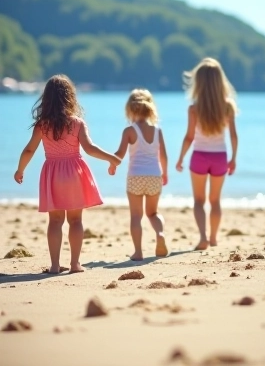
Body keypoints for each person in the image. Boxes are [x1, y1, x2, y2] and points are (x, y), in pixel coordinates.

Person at [12, 75, 121, 274]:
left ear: (46, 99)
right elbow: (89, 148)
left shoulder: (42, 125)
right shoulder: (77, 123)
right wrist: (111, 158)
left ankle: (54, 265)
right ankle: (74, 264)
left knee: (55, 222)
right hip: (74, 174)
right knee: (76, 221)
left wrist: (20, 169)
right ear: (70, 97)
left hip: (52, 175)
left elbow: (29, 150)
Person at [175, 58, 239, 251]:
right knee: (215, 201)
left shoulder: (194, 108)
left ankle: (202, 237)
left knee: (199, 201)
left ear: (199, 82)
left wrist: (180, 158)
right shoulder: (228, 106)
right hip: (220, 157)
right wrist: (233, 158)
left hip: (199, 157)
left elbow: (189, 137)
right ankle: (213, 238)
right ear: (220, 80)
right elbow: (234, 136)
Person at [112, 89, 169, 260]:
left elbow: (120, 154)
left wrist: (112, 163)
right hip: (154, 176)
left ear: (130, 110)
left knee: (136, 216)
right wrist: (164, 173)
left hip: (135, 176)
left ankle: (138, 252)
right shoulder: (157, 131)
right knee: (153, 213)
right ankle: (160, 234)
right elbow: (163, 156)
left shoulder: (129, 131)